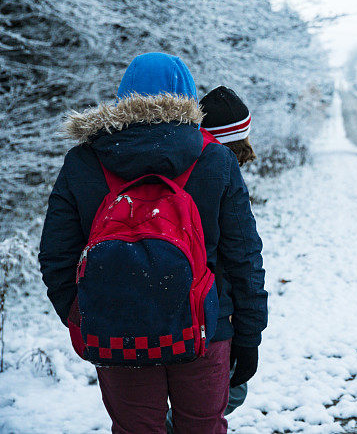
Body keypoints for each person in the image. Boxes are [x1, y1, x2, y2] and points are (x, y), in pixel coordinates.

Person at [38, 53, 268, 434]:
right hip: (207, 327)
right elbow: (244, 256)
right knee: (202, 427)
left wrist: (83, 313)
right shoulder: (215, 159)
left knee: (135, 429)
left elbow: (55, 255)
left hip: (118, 329)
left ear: (122, 96)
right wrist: (248, 335)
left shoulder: (83, 161)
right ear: (189, 98)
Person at [165, 85, 257, 433]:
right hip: (207, 314)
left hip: (154, 308)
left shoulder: (175, 164)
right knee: (227, 394)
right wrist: (247, 331)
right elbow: (241, 257)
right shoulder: (215, 171)